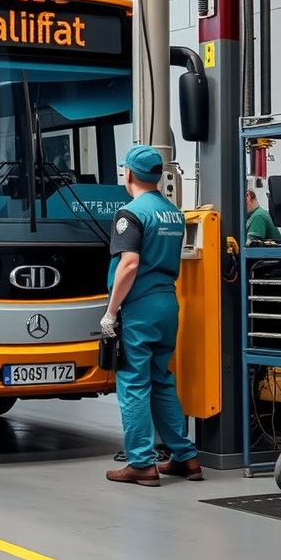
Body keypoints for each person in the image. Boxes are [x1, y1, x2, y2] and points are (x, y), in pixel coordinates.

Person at [100, 145, 203, 486]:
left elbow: (128, 264)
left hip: (139, 305)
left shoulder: (130, 214)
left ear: (128, 174)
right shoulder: (172, 212)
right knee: (161, 380)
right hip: (167, 305)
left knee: (132, 383)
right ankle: (186, 458)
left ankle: (142, 464)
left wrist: (111, 312)